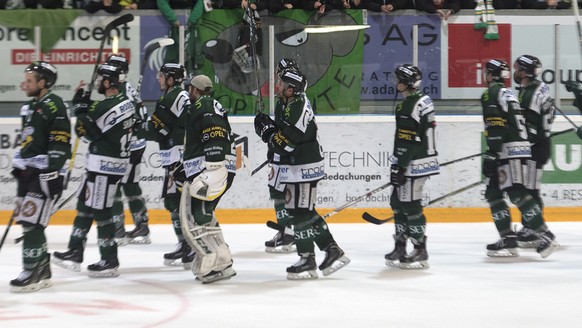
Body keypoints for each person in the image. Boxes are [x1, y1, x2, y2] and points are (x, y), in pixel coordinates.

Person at [254, 67, 351, 280]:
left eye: (281, 83)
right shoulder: (285, 103)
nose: (277, 86)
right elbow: (281, 136)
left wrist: (268, 134)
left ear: (291, 90)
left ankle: (308, 259)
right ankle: (332, 249)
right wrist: (270, 128)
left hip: (305, 167)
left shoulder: (298, 107)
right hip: (296, 167)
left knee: (299, 213)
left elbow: (285, 144)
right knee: (302, 212)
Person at [52, 63, 135, 277]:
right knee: (85, 205)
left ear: (108, 82)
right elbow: (98, 117)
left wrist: (80, 109)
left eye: (101, 80)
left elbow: (87, 133)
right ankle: (75, 250)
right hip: (104, 165)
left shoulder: (109, 105)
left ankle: (109, 260)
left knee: (101, 210)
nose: (99, 83)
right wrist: (86, 107)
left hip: (105, 166)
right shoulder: (123, 102)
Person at [9, 61, 71, 293]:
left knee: (31, 221)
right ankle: (42, 267)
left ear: (44, 83)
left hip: (45, 174)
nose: (25, 82)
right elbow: (28, 142)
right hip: (28, 173)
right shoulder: (30, 107)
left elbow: (60, 142)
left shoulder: (54, 105)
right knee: (30, 223)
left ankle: (32, 271)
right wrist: (20, 165)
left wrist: (52, 171)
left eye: (31, 79)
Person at [178, 74, 237, 283]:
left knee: (197, 215)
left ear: (195, 90)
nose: (187, 92)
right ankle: (223, 259)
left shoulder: (204, 105)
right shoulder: (209, 104)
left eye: (189, 89)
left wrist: (213, 165)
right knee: (204, 213)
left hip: (213, 167)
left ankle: (212, 261)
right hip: (213, 166)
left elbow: (215, 132)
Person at [384, 64, 438, 270]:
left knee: (410, 205)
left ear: (407, 83)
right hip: (420, 159)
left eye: (398, 79)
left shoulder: (407, 106)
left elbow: (408, 140)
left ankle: (419, 248)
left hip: (414, 163)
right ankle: (400, 244)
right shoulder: (423, 100)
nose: (395, 82)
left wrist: (401, 165)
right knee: (397, 201)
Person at [141, 63, 194, 268]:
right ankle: (186, 244)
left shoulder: (168, 99)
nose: (158, 79)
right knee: (178, 202)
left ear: (171, 79)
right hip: (183, 157)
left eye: (162, 76)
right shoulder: (183, 95)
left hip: (176, 159)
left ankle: (188, 245)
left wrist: (135, 126)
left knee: (176, 202)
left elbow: (155, 130)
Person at [510, 54, 558, 256]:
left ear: (525, 72)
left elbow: (530, 128)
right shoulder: (541, 88)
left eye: (518, 69)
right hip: (541, 143)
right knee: (531, 188)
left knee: (530, 190)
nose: (515, 72)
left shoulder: (528, 95)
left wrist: (514, 140)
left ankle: (533, 229)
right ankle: (529, 226)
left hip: (534, 147)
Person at [104, 55, 151, 246]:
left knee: (114, 185)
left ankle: (118, 229)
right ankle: (141, 226)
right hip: (134, 144)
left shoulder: (120, 90)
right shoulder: (126, 88)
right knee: (130, 185)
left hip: (129, 145)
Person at [262, 58, 300, 253]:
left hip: (290, 156)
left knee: (288, 193)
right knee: (276, 191)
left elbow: (291, 132)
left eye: (280, 73)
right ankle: (284, 230)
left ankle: (291, 232)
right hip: (280, 153)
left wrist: (273, 138)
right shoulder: (281, 100)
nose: (277, 77)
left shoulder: (296, 100)